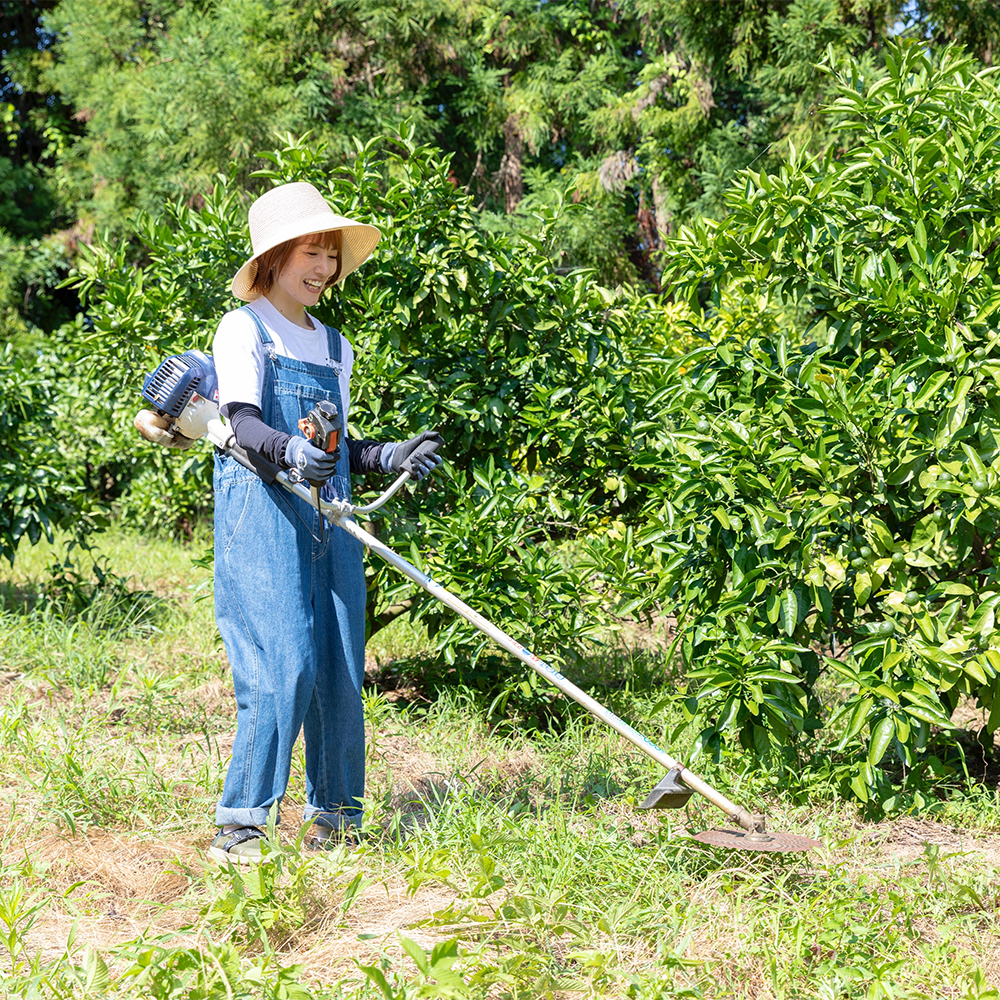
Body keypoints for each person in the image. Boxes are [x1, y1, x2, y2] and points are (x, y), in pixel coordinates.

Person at [207, 181, 442, 863]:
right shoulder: (242, 328)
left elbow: (341, 445)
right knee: (285, 663)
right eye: (311, 252)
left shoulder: (336, 345)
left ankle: (337, 818)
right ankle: (243, 825)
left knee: (339, 664)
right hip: (264, 508)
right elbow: (244, 423)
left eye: (331, 255)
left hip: (329, 514)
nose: (323, 269)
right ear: (276, 257)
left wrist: (389, 454)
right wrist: (289, 451)